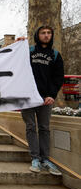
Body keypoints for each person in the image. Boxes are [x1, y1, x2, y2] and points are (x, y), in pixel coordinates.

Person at [19, 26, 64, 175]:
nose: (46, 35)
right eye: (43, 33)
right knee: (31, 127)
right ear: (37, 35)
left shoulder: (55, 55)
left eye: (49, 33)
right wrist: (16, 46)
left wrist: (52, 95)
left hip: (46, 99)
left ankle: (45, 159)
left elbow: (58, 78)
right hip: (27, 97)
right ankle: (35, 159)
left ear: (52, 35)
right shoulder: (28, 52)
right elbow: (13, 62)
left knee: (44, 128)